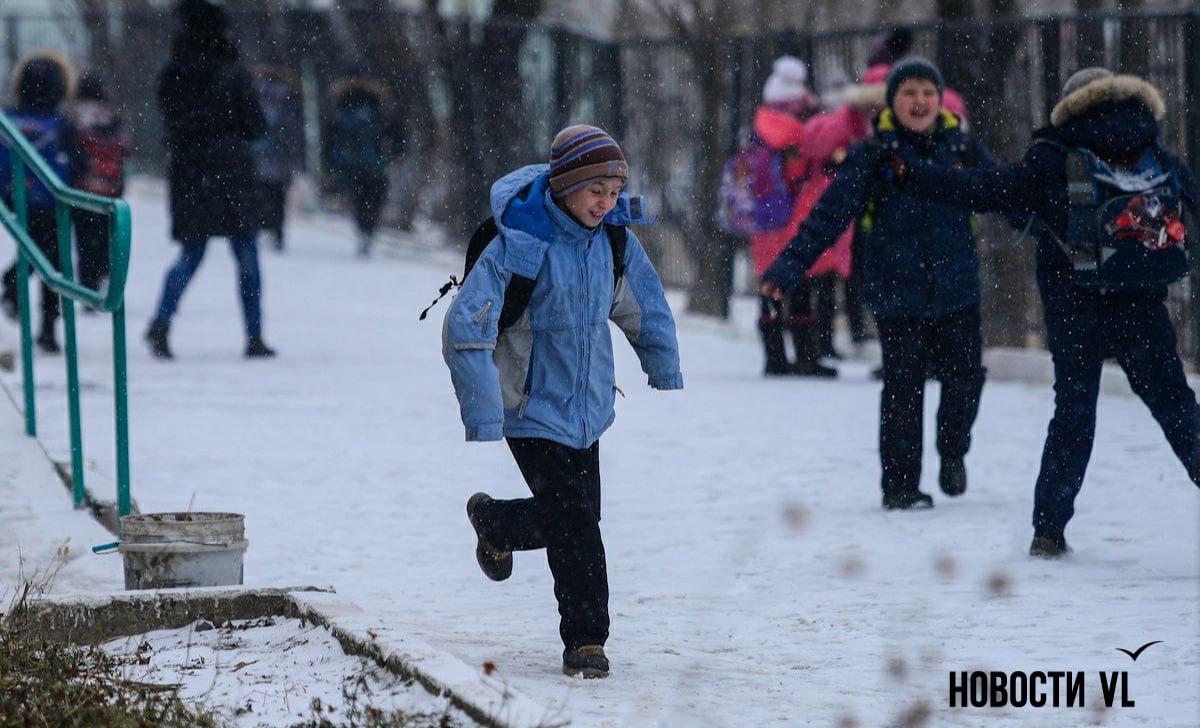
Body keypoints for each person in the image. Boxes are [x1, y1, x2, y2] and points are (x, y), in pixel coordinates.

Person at [892, 68, 1200, 556]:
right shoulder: (1154, 150)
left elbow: (984, 189)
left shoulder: (1055, 153)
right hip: (1142, 300)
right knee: (1176, 406)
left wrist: (915, 177)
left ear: (1069, 105)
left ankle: (1049, 529)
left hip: (1074, 301)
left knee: (1074, 411)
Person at [443, 125, 682, 678]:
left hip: (588, 406)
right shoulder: (519, 242)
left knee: (576, 518)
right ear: (564, 186)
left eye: (614, 190)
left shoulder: (615, 241)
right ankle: (586, 642)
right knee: (576, 521)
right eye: (594, 189)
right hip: (527, 407)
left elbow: (643, 305)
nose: (606, 202)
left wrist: (663, 363)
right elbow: (467, 327)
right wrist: (482, 411)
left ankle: (497, 525)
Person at [761, 58, 995, 511]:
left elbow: (1004, 191)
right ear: (892, 101)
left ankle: (952, 450)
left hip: (957, 285)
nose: (920, 101)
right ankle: (901, 486)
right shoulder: (873, 154)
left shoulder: (961, 146)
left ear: (939, 98)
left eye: (928, 92)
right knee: (903, 388)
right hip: (897, 289)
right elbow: (828, 216)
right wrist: (786, 269)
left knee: (965, 379)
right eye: (909, 93)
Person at [146, 0, 274, 360]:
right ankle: (254, 335)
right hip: (232, 171)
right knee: (246, 254)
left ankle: (161, 322)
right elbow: (255, 124)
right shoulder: (233, 71)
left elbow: (169, 119)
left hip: (190, 172)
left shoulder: (174, 71)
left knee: (191, 253)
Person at [747, 56, 836, 377]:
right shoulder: (799, 133)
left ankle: (774, 357)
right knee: (798, 288)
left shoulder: (761, 129)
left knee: (770, 286)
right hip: (794, 221)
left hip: (766, 224)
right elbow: (825, 148)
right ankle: (806, 356)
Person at [0, 51, 77, 353]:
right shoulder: (60, 123)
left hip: (16, 198)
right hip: (53, 199)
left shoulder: (8, 121)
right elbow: (76, 160)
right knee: (53, 263)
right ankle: (47, 327)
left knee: (32, 251)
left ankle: (13, 289)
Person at [63, 72, 128, 293]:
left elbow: (70, 149)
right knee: (104, 235)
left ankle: (88, 283)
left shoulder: (74, 115)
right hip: (110, 186)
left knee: (84, 237)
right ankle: (104, 271)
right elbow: (124, 148)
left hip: (83, 186)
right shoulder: (112, 114)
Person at [323, 71, 396, 257]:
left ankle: (363, 230)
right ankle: (369, 231)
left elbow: (331, 135)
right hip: (376, 162)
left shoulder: (342, 102)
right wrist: (394, 153)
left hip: (351, 163)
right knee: (375, 198)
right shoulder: (377, 103)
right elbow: (393, 131)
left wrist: (329, 161)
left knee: (358, 200)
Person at [250, 64, 305, 252]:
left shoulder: (255, 90)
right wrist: (297, 156)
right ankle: (277, 232)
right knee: (278, 195)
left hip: (257, 155)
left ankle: (261, 227)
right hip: (280, 157)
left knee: (260, 193)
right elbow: (295, 129)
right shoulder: (289, 94)